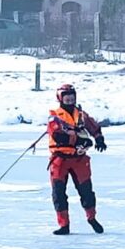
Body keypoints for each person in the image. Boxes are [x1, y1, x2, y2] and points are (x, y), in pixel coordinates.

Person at [47, 83, 107, 235]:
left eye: (71, 98)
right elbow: (57, 135)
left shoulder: (81, 114)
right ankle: (64, 225)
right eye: (66, 98)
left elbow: (93, 127)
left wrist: (99, 138)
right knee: (59, 193)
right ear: (60, 98)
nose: (69, 100)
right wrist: (79, 140)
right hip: (60, 160)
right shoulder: (54, 116)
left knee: (86, 191)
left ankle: (91, 218)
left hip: (79, 159)